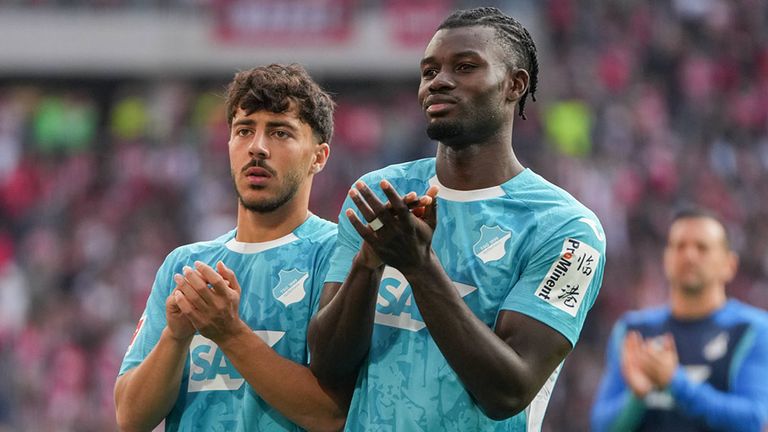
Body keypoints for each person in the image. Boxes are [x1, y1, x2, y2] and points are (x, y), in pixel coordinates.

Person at [308, 7, 606, 431]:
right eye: (429, 71)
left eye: (465, 67)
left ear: (515, 84)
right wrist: (368, 264)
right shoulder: (378, 195)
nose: (439, 81)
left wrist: (418, 266)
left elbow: (508, 392)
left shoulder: (569, 230)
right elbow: (327, 366)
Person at [114, 64, 348, 432]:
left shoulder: (339, 254)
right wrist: (176, 336)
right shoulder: (186, 265)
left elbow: (332, 415)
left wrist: (228, 332)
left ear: (318, 157)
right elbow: (131, 419)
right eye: (244, 130)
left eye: (280, 132)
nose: (257, 147)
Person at [591, 208, 768, 432]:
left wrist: (674, 381)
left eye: (702, 247)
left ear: (729, 265)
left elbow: (752, 420)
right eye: (679, 246)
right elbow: (601, 426)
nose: (689, 255)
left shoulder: (751, 329)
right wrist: (637, 396)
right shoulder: (634, 330)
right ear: (666, 259)